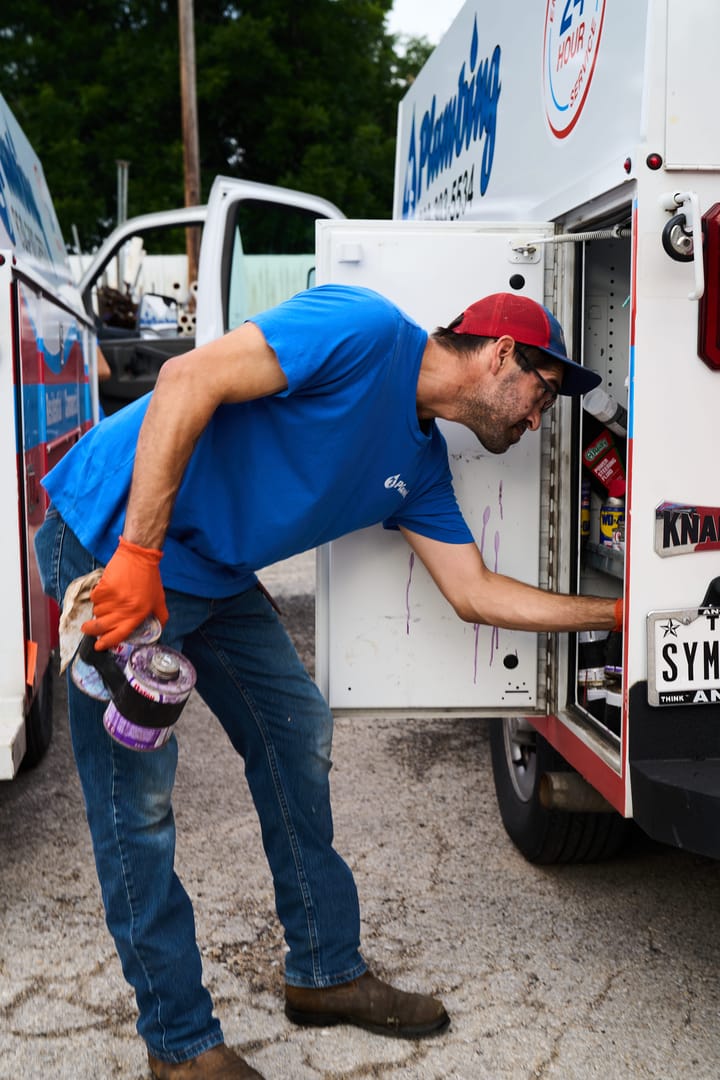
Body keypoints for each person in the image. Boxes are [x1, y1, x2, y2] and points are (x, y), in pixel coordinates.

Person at [34, 285, 621, 1079]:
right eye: (543, 395)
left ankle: (323, 971)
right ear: (500, 353)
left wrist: (616, 613)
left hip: (211, 569)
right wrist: (136, 556)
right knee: (134, 802)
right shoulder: (362, 330)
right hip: (115, 539)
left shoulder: (419, 465)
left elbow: (473, 591)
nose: (536, 419)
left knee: (295, 728)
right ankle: (177, 1046)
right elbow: (185, 382)